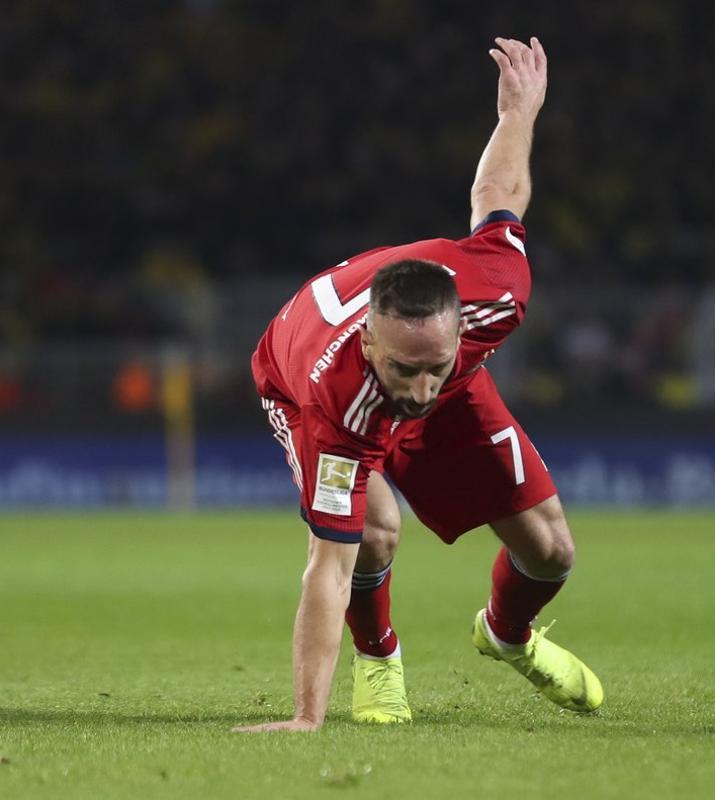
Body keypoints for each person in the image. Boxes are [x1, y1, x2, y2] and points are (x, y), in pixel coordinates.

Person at [236, 36, 602, 733]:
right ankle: (378, 659)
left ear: (461, 330)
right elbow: (326, 569)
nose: (420, 388)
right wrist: (305, 718)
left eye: (435, 363)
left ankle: (507, 634)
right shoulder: (337, 397)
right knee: (372, 534)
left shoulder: (497, 292)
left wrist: (518, 114)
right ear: (373, 340)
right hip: (294, 377)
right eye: (405, 368)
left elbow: (497, 195)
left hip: (453, 383)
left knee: (552, 553)